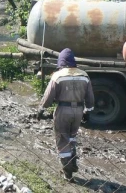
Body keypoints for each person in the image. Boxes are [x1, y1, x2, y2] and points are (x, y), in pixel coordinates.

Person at [36, 48, 94, 182]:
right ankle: (72, 162)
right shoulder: (84, 75)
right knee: (72, 136)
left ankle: (68, 173)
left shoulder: (58, 76)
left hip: (63, 110)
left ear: (61, 61)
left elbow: (48, 96)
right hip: (78, 111)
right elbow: (90, 97)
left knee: (62, 139)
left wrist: (41, 110)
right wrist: (88, 111)